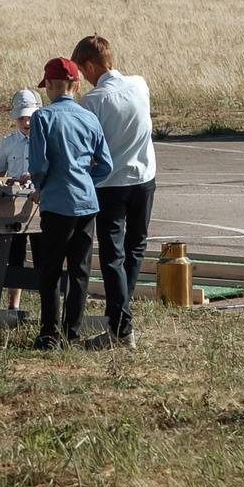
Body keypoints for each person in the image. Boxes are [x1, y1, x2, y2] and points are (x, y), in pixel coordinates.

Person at [73, 35, 156, 349]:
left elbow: (88, 145)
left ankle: (120, 326)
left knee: (112, 254)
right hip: (144, 176)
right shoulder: (139, 84)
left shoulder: (93, 100)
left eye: (83, 71)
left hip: (111, 183)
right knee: (135, 247)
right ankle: (120, 318)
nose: (83, 78)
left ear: (91, 65)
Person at [22, 57, 110, 351]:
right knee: (80, 271)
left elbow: (38, 164)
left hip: (57, 202)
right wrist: (85, 179)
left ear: (48, 85)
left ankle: (49, 334)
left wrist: (43, 186)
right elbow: (106, 164)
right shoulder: (89, 118)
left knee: (50, 270)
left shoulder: (43, 117)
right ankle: (72, 333)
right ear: (77, 84)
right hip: (86, 202)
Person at [0, 88, 43, 332]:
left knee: (42, 258)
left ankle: (47, 307)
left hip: (40, 208)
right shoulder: (8, 143)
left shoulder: (46, 141)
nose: (26, 123)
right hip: (13, 209)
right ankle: (13, 307)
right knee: (13, 257)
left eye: (30, 117)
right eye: (21, 118)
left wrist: (35, 175)